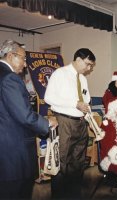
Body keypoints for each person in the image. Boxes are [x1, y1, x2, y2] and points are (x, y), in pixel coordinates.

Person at [0, 39, 58, 199]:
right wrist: (47, 122)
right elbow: (24, 115)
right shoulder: (10, 79)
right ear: (11, 56)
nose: (26, 64)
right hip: (12, 153)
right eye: (24, 59)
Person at [44, 48, 96, 199]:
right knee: (62, 162)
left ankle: (74, 195)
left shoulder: (83, 79)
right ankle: (59, 196)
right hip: (65, 122)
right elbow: (48, 98)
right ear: (78, 59)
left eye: (91, 66)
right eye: (87, 64)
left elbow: (85, 101)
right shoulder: (60, 74)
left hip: (81, 123)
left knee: (78, 162)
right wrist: (75, 103)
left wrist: (89, 115)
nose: (89, 68)